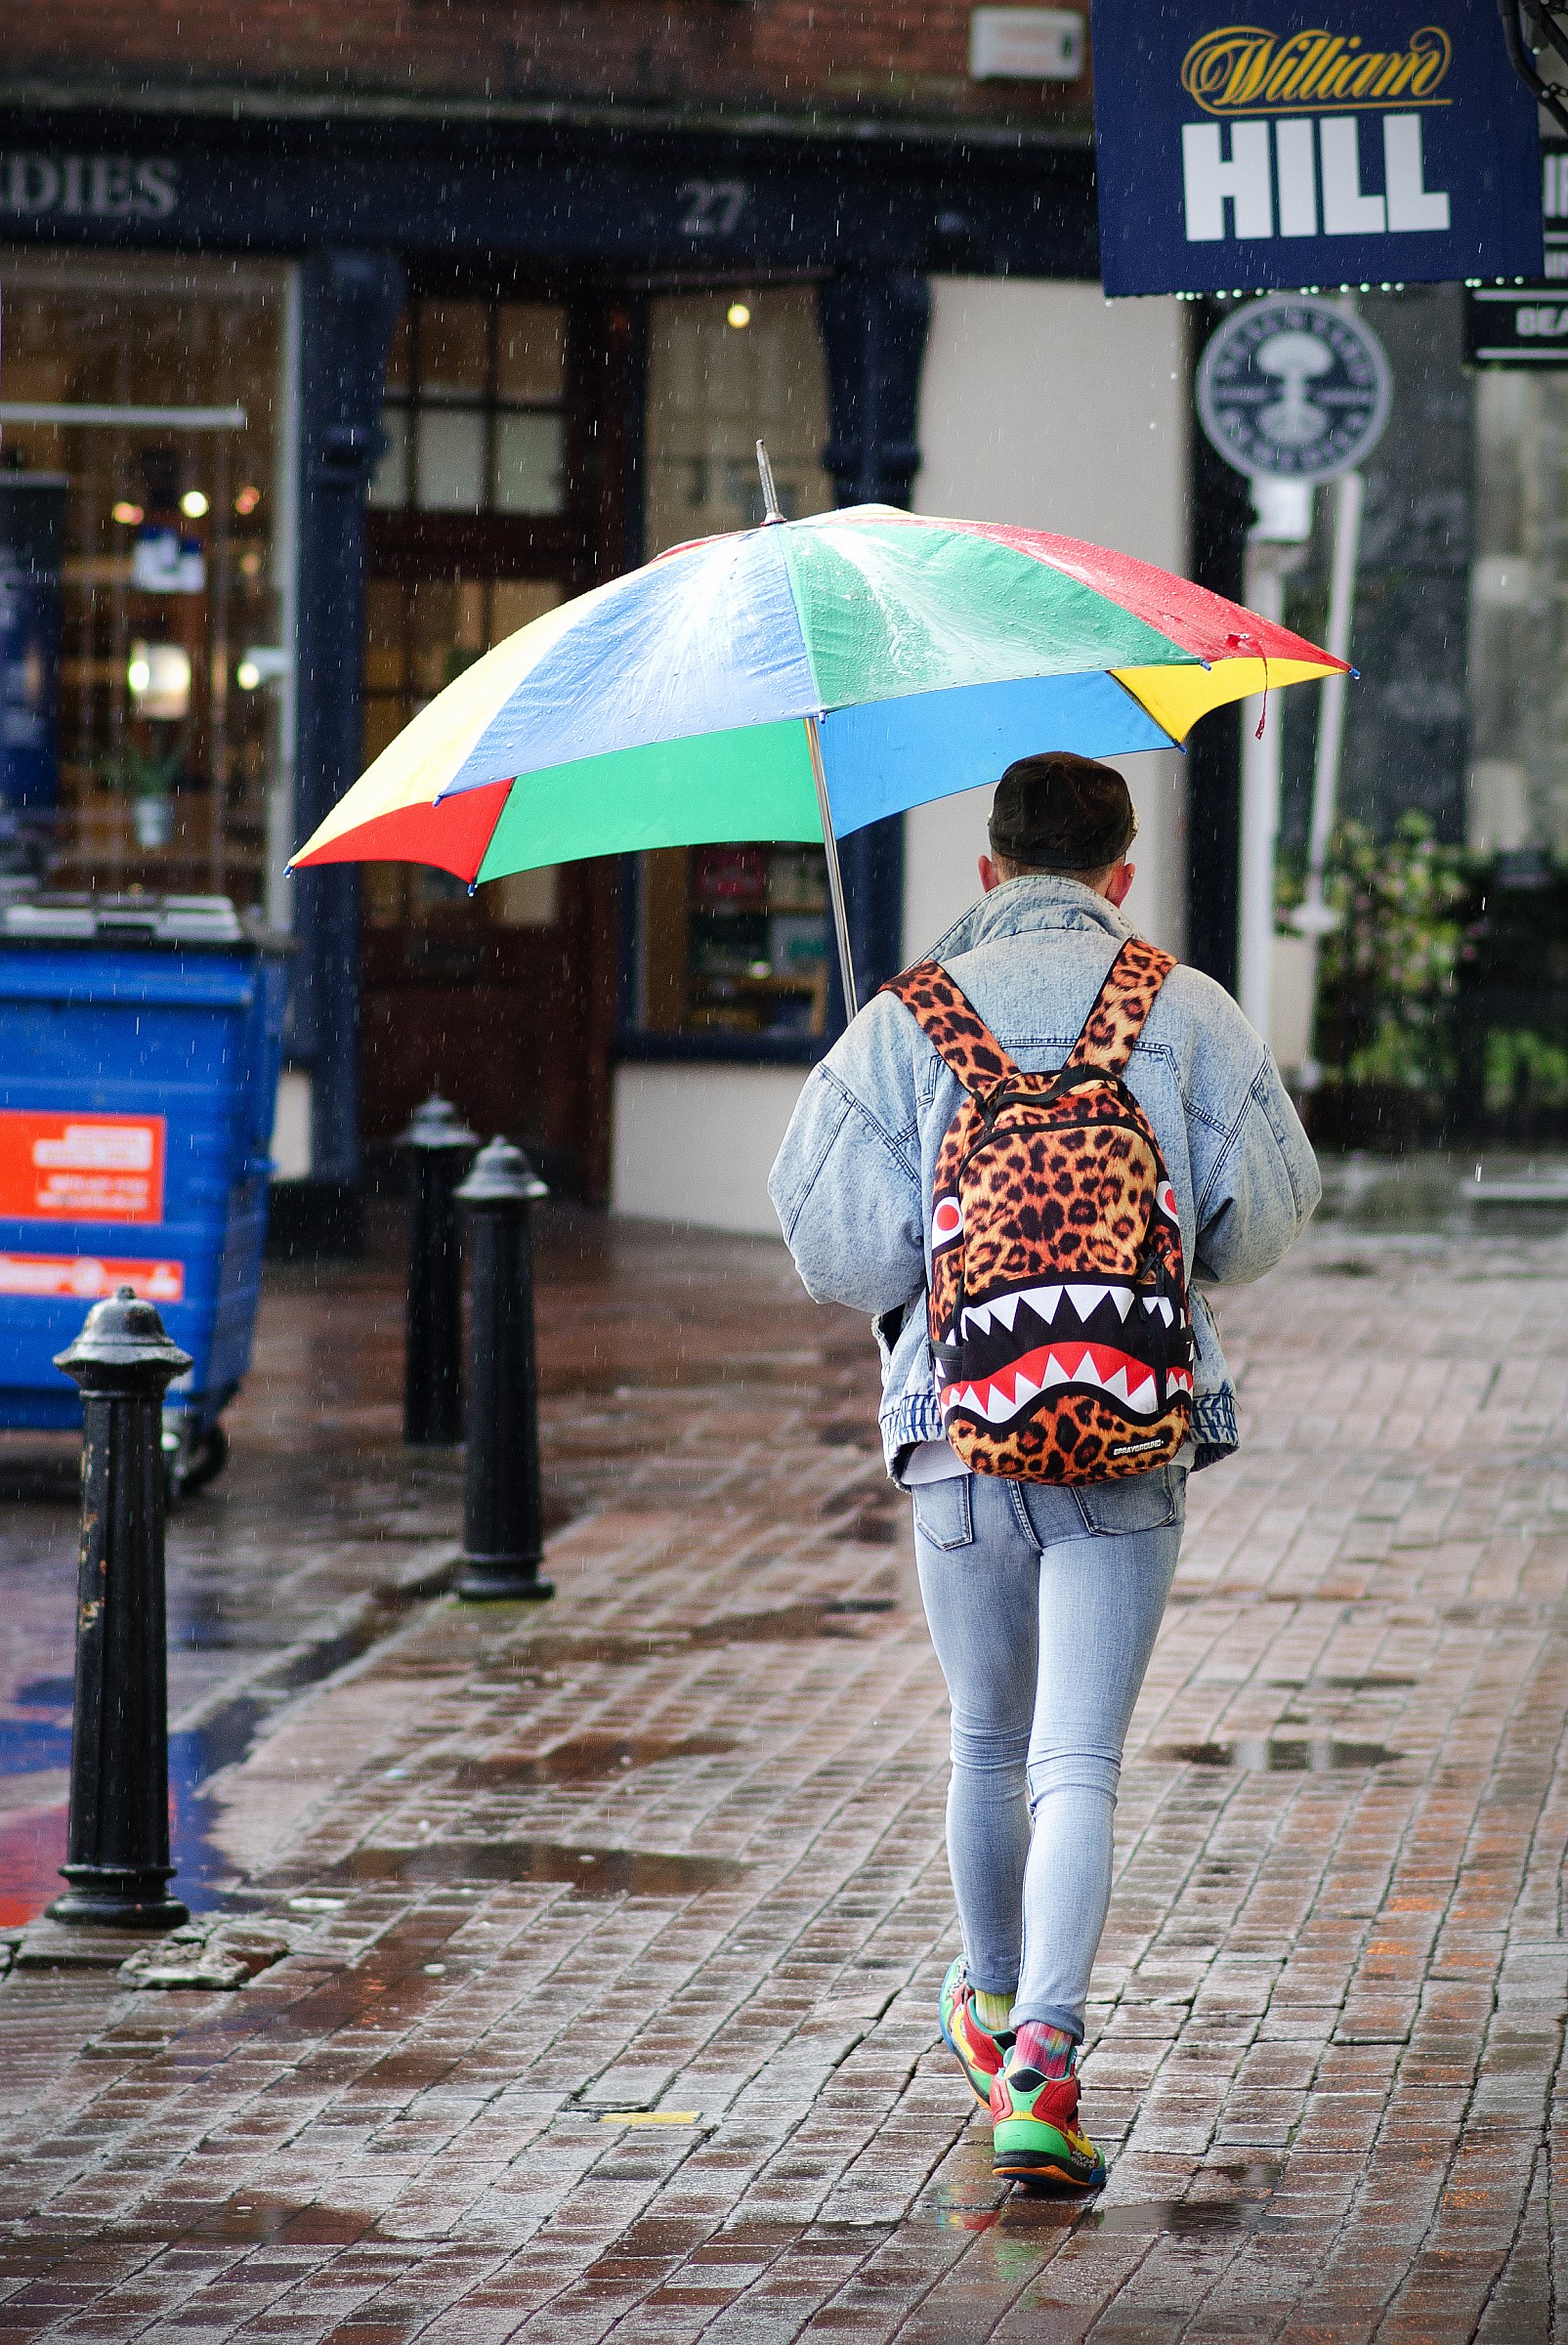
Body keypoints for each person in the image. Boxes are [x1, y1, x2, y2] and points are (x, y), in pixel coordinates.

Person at [768, 751, 1320, 2192]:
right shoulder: (1182, 1007)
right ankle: (1046, 2068)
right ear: (1120, 876)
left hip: (954, 1424)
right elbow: (1263, 1217)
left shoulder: (904, 1019)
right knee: (1077, 1758)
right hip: (1129, 1429)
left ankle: (992, 2002)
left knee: (986, 1740)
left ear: (988, 871)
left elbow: (837, 1253)